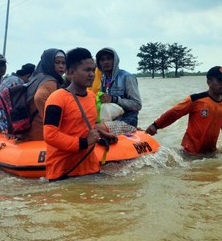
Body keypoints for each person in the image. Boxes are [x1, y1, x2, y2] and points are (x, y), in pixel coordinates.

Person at [43, 47, 117, 181]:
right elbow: (50, 135)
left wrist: (102, 134)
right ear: (71, 73)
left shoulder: (91, 96)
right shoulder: (56, 99)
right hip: (64, 173)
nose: (92, 74)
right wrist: (84, 142)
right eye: (86, 70)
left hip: (90, 168)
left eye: (93, 69)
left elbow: (85, 124)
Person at [145, 66, 222, 155]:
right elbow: (175, 113)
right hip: (189, 153)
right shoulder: (196, 99)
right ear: (209, 82)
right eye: (219, 80)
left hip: (210, 152)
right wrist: (155, 125)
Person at [95, 47, 142, 134]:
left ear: (115, 60)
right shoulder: (103, 79)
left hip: (127, 122)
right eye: (102, 59)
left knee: (93, 128)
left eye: (109, 58)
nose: (105, 62)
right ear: (99, 63)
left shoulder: (127, 77)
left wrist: (114, 99)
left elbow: (137, 105)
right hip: (109, 120)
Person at [25, 49, 66, 141]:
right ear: (49, 63)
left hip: (29, 132)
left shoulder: (36, 78)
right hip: (40, 135)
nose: (61, 66)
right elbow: (40, 98)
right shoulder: (50, 82)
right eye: (57, 63)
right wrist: (53, 122)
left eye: (64, 63)